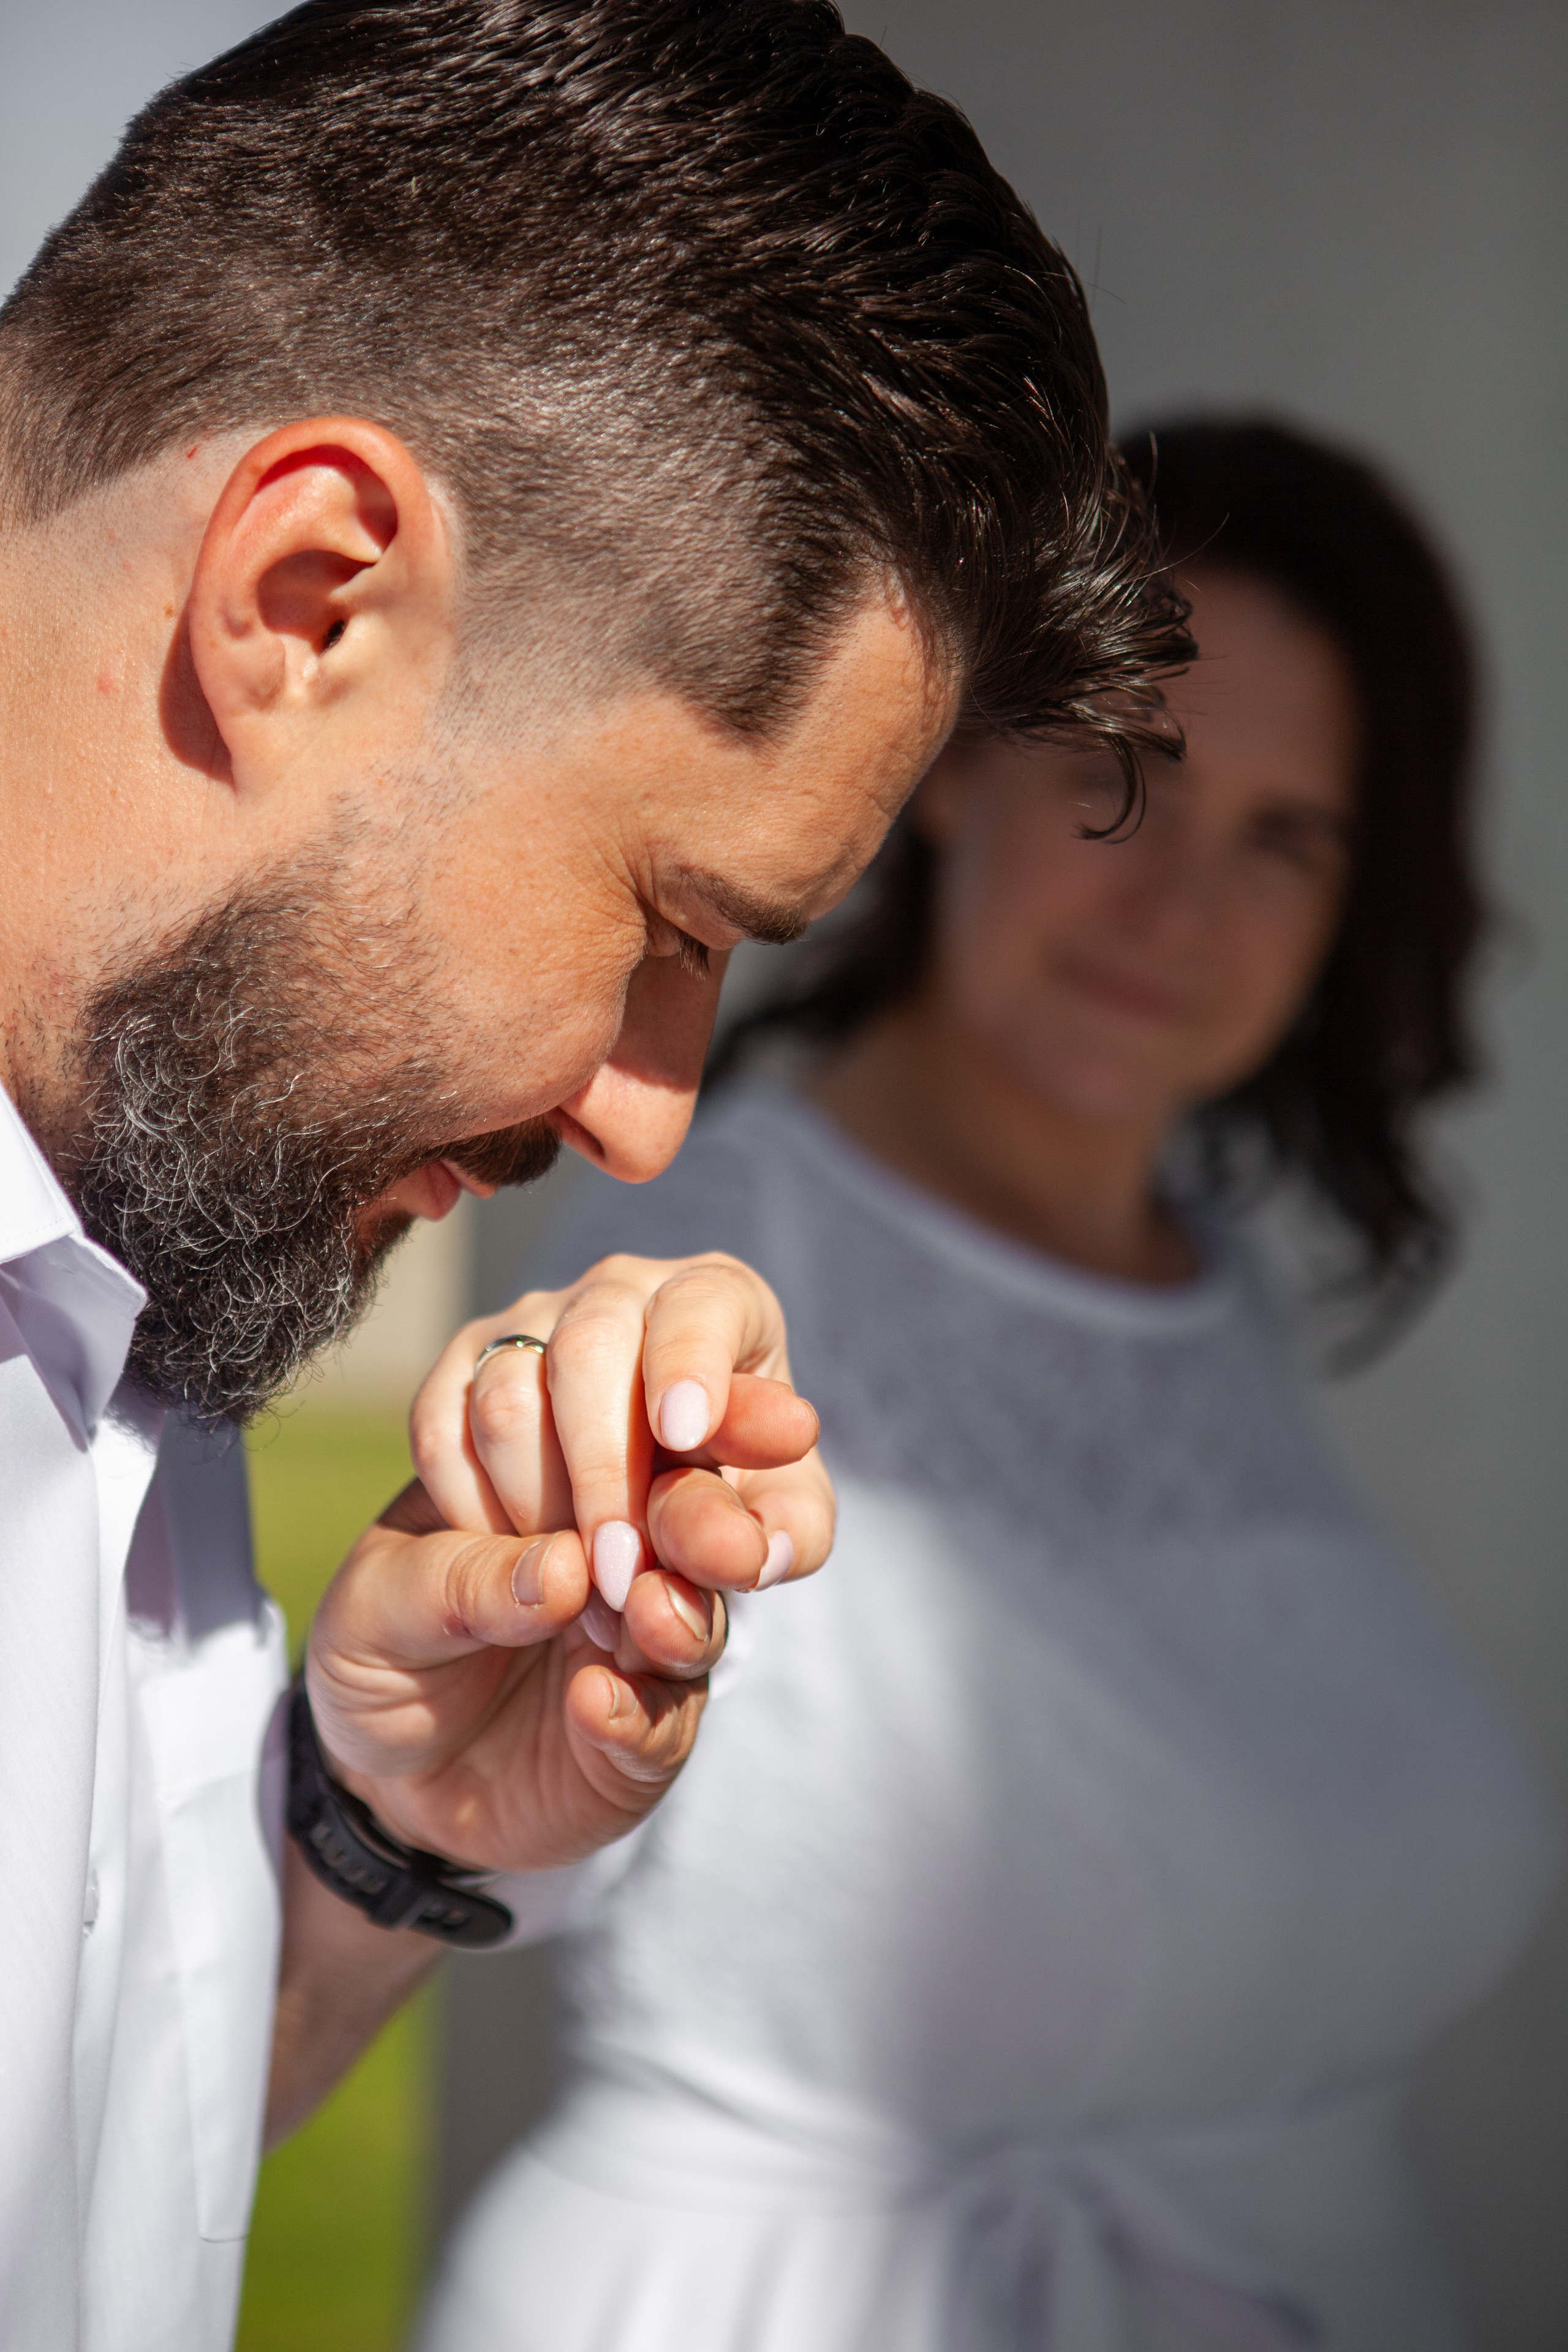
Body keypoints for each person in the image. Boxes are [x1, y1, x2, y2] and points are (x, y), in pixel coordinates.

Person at [0, 4, 1192, 2345]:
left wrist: (375, 1835)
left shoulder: (131, 1220)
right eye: (672, 926)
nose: (650, 1116)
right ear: (311, 599)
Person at [420, 420, 1561, 2352]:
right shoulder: (698, 1256)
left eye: (1288, 842)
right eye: (1131, 779)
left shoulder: (1219, 1290)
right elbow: (477, 1803)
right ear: (949, 760)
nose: (1182, 908)